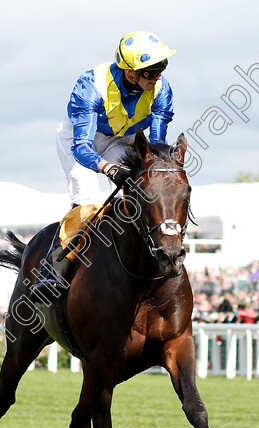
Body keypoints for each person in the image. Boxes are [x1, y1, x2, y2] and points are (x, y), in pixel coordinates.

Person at [33, 31, 176, 299]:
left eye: (162, 68)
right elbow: (82, 148)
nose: (158, 76)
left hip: (122, 137)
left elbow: (156, 145)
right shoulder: (90, 86)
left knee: (143, 189)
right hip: (81, 139)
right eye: (152, 71)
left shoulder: (161, 89)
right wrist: (108, 168)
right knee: (88, 201)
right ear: (130, 72)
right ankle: (53, 270)